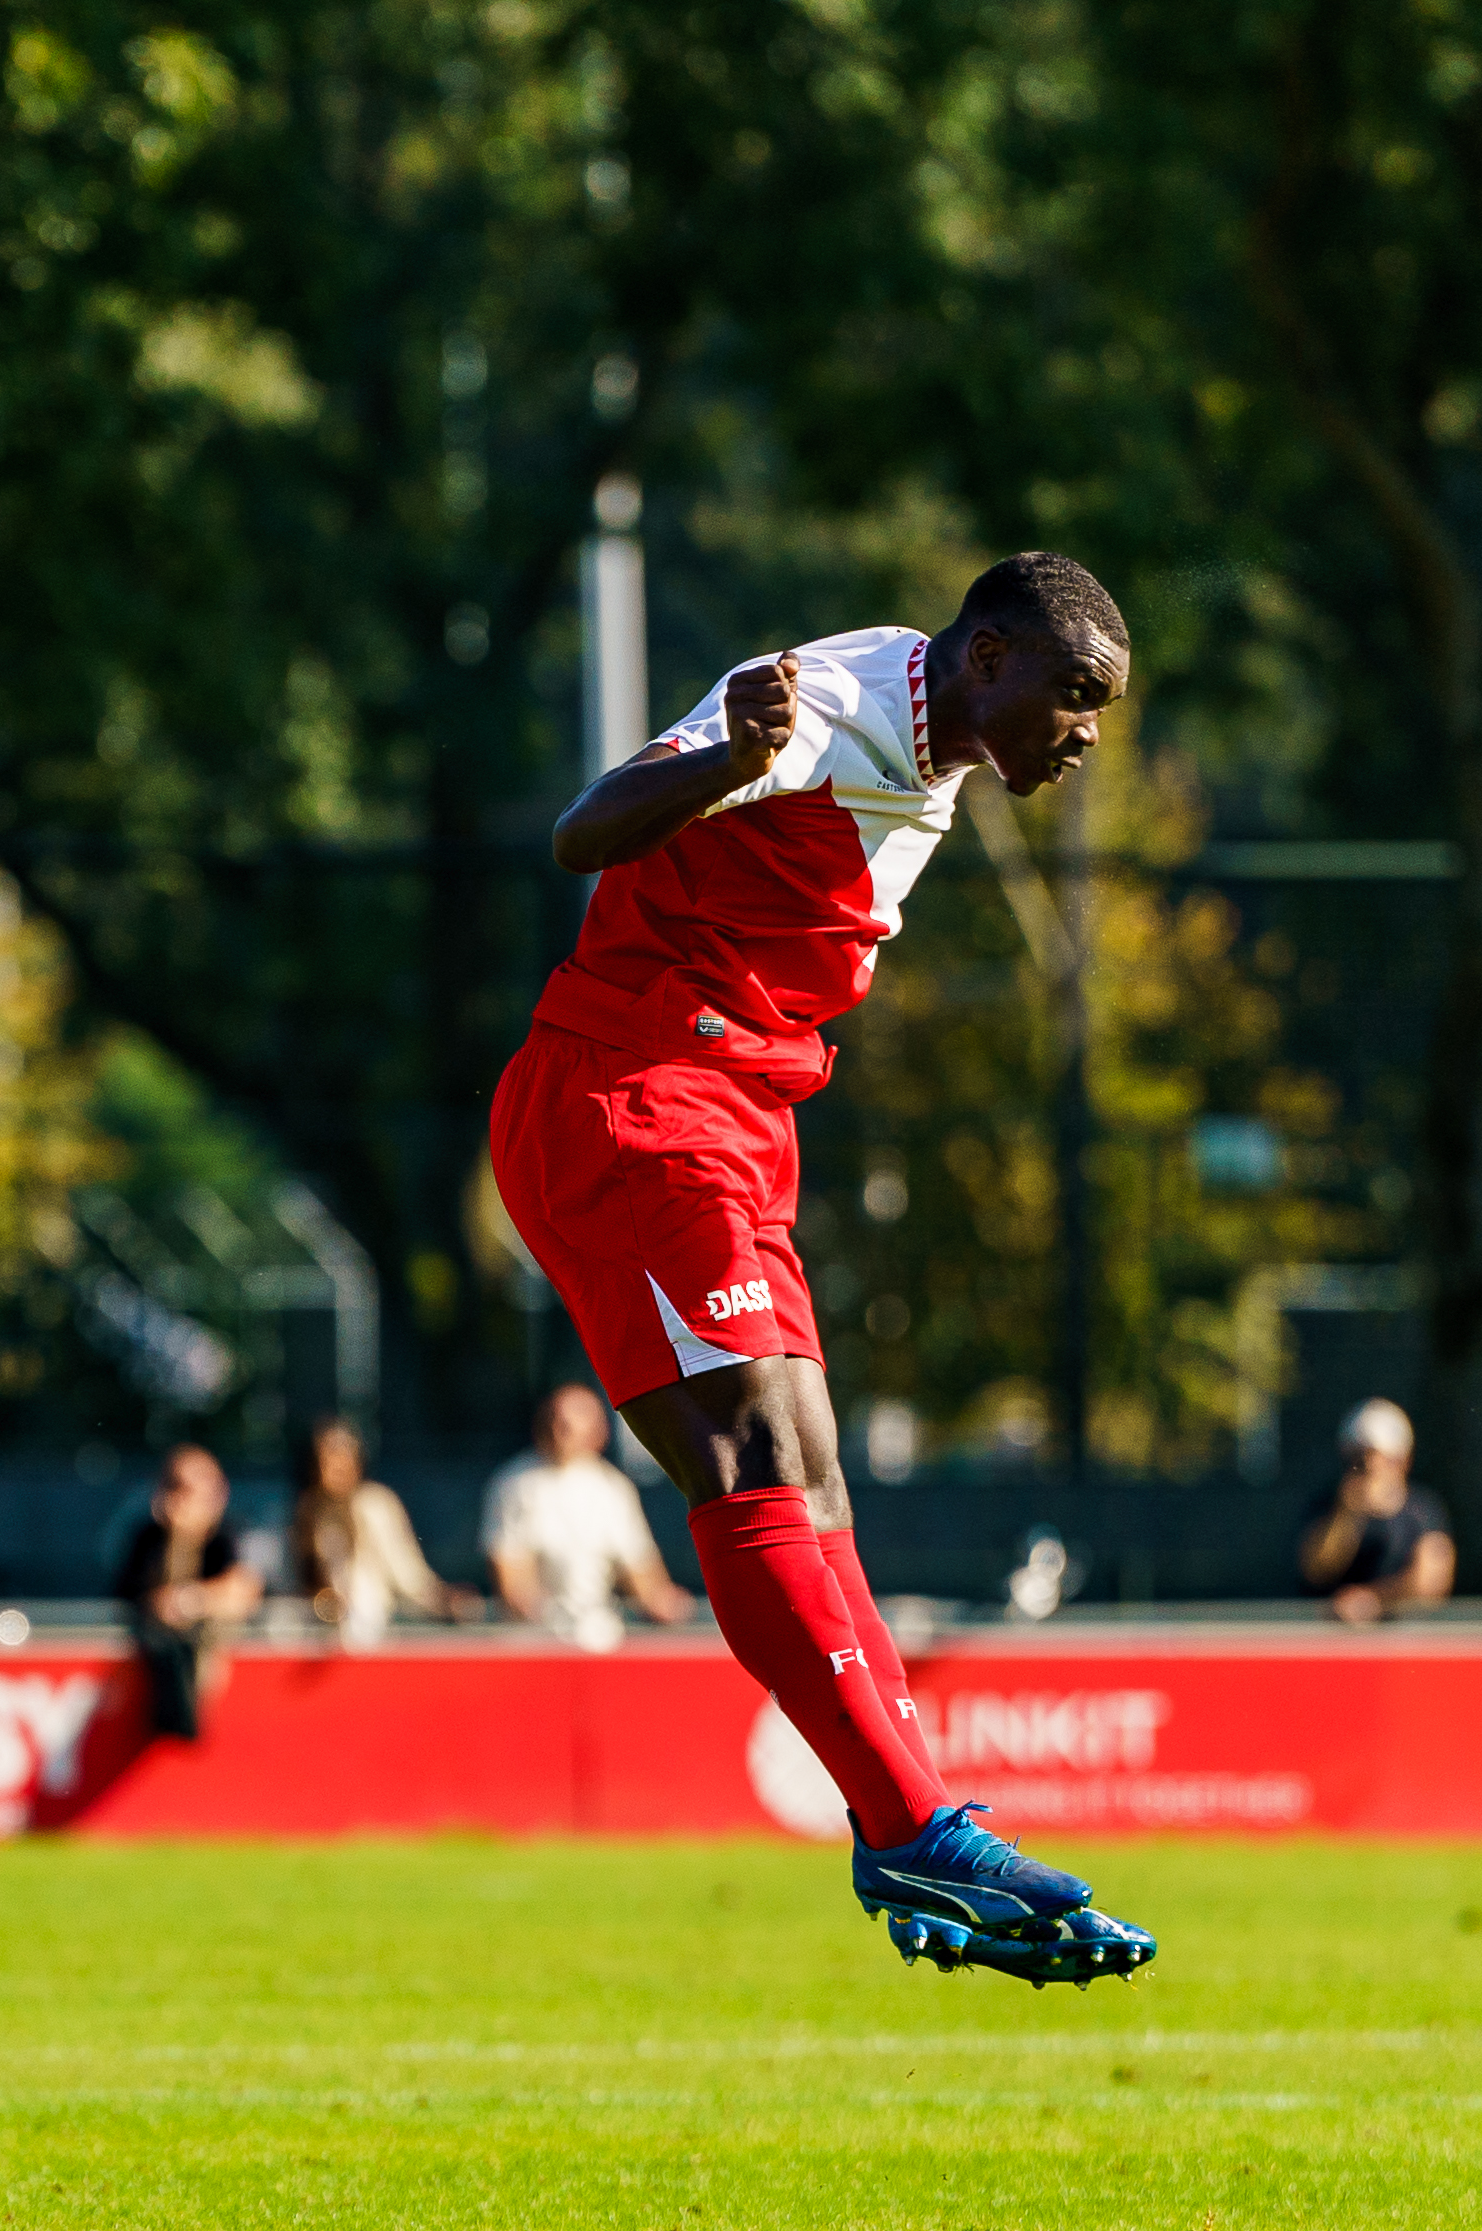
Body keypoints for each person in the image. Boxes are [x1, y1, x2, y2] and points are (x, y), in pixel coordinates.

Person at [486, 553, 1154, 1983]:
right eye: (1074, 695)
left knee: (812, 1471)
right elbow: (581, 834)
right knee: (757, 1459)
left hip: (728, 1113)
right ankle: (914, 1821)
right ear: (986, 658)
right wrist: (728, 751)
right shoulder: (822, 704)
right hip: (632, 1095)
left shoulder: (929, 727)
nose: (1087, 731)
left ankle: (900, 1814)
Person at [479, 1385, 690, 1653]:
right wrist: (545, 1614)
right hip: (533, 1646)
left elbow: (641, 1568)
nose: (560, 1431)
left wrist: (663, 1602)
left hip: (600, 1642)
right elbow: (512, 1578)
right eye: (555, 1421)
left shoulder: (614, 1488)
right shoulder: (516, 1484)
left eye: (569, 1425)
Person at [289, 1416, 473, 1651]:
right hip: (314, 1643)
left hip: (374, 1639)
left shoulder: (375, 1504)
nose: (336, 1464)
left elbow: (408, 1575)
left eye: (344, 1453)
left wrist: (443, 1599)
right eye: (328, 1455)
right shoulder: (306, 1511)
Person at [116, 1444, 263, 1737]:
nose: (186, 1501)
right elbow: (143, 1597)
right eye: (177, 1488)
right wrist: (179, 1543)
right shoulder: (148, 1538)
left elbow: (244, 1588)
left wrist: (192, 1601)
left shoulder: (229, 1535)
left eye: (197, 1490)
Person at [1298, 1397, 1455, 1626]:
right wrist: (1348, 1513)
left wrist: (1374, 1600)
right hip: (1332, 1644)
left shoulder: (1423, 1510)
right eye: (1358, 1460)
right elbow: (1314, 1569)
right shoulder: (1328, 1506)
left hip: (1405, 1643)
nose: (1370, 1468)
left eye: (1383, 1459)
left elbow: (1432, 1582)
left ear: (1404, 1461)